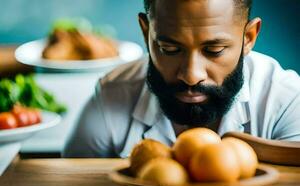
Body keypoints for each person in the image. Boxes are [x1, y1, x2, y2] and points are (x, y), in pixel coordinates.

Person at [63, 0, 300, 158]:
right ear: (146, 33)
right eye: (169, 49)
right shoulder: (111, 94)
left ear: (248, 38)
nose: (191, 75)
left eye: (214, 50)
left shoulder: (286, 101)